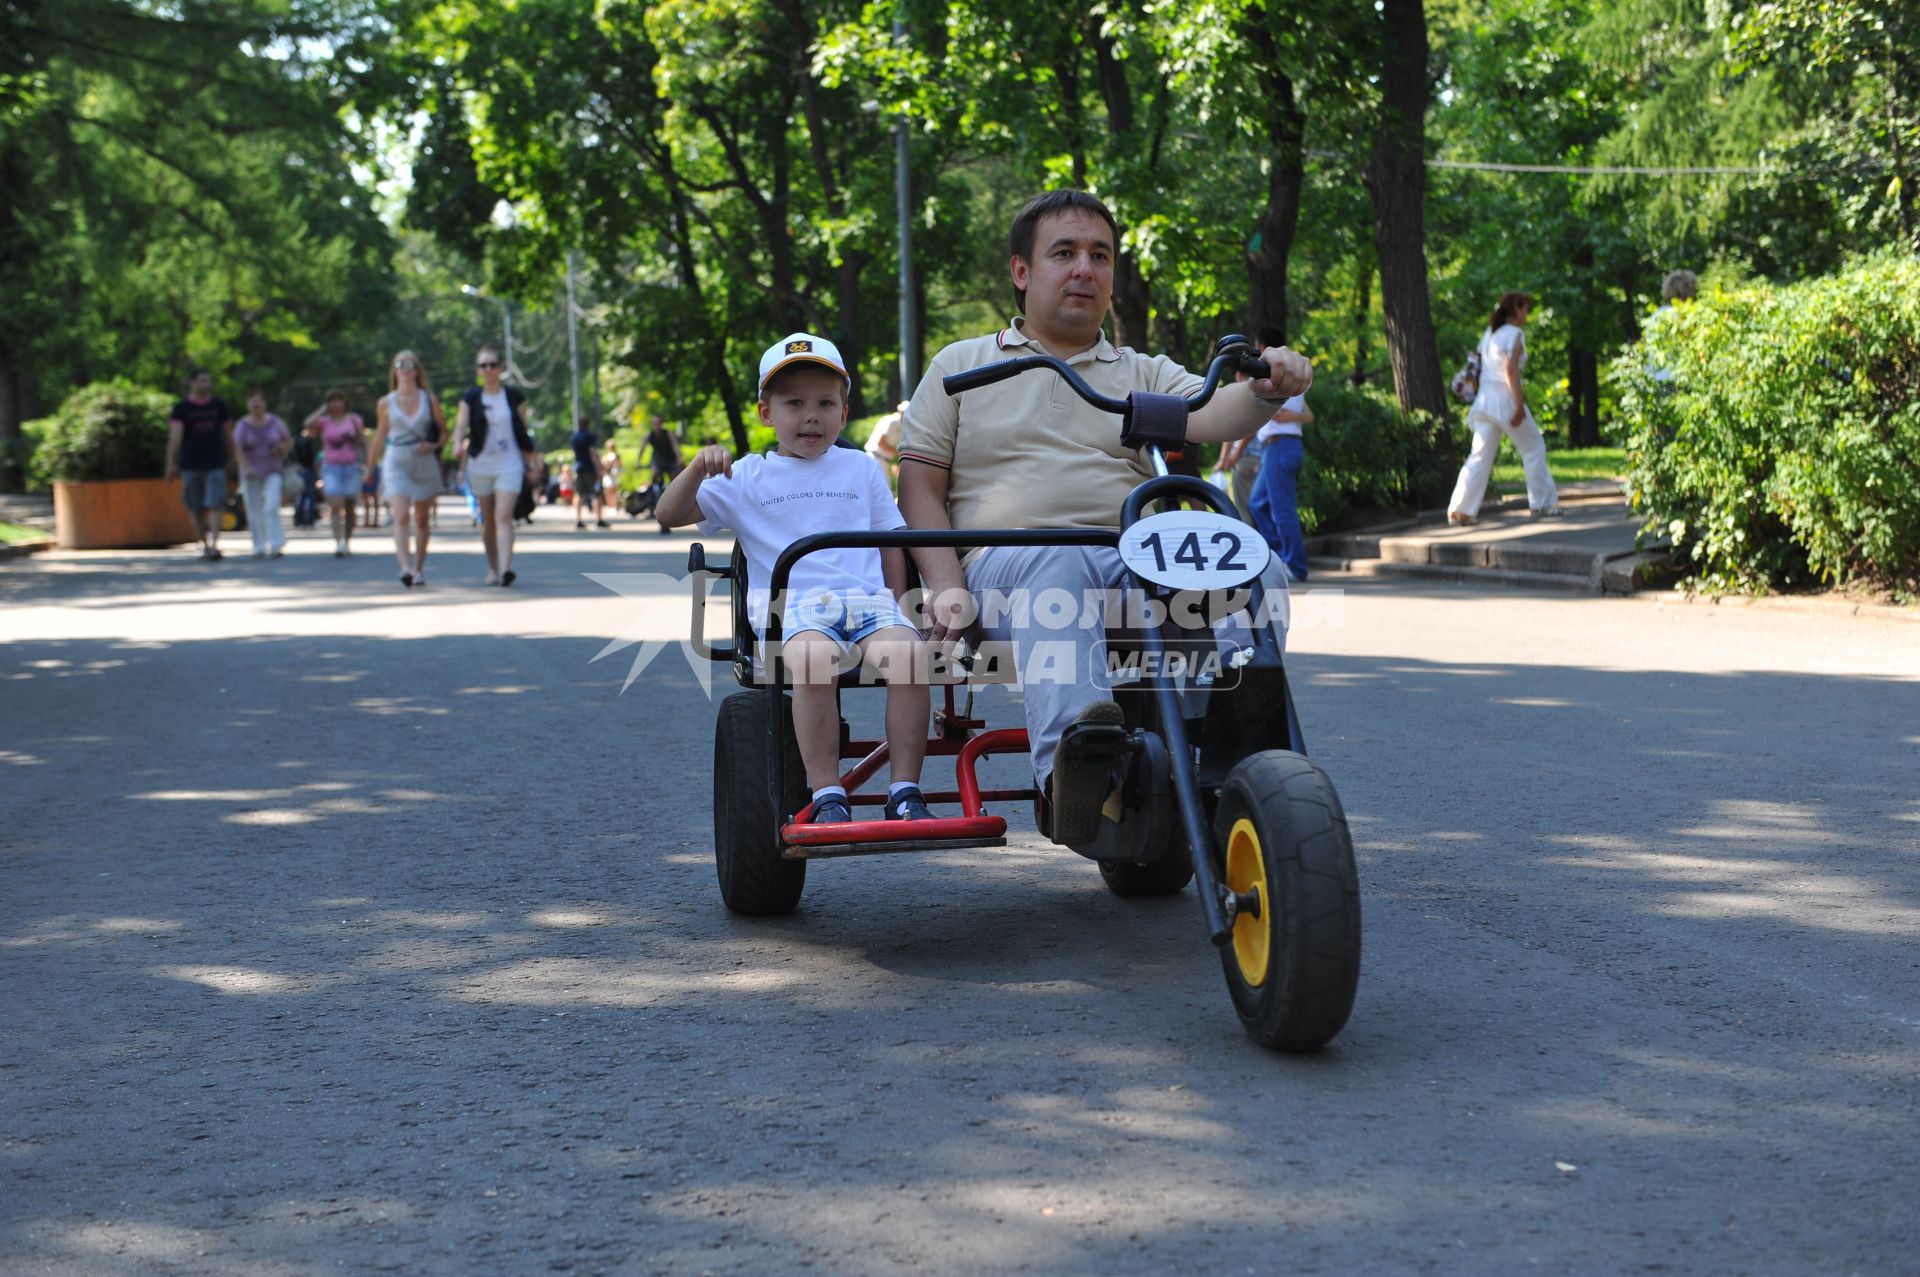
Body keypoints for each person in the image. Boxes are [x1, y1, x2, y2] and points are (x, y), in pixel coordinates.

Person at [896, 189, 1311, 849]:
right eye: (1064, 253)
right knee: (1055, 559)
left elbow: (1212, 412)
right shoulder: (961, 366)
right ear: (1021, 272)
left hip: (1129, 565)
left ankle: (1237, 756)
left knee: (1253, 568)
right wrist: (945, 582)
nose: (1085, 268)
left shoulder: (1136, 371)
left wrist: (1266, 388)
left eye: (1100, 255)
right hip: (1009, 570)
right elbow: (918, 484)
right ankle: (1075, 774)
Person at [655, 333, 937, 825]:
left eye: (826, 403)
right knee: (812, 659)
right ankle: (827, 790)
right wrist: (698, 466)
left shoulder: (861, 469)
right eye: (795, 403)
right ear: (767, 413)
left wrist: (902, 606)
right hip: (798, 609)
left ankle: (905, 789)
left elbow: (891, 543)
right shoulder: (746, 477)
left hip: (868, 603)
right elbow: (668, 512)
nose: (812, 416)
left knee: (909, 654)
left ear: (844, 415)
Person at [1447, 291, 1560, 525]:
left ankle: (1460, 509)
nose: (1527, 314)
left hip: (1483, 402)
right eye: (1525, 309)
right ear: (1516, 309)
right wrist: (1518, 405)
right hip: (1503, 399)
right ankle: (1543, 504)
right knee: (1534, 448)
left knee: (1479, 455)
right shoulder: (1515, 334)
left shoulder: (1490, 334)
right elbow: (1510, 370)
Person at [451, 344, 537, 586]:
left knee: (503, 515)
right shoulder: (471, 397)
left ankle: (506, 569)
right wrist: (457, 443)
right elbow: (461, 425)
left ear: (500, 368)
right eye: (483, 365)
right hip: (480, 464)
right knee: (487, 519)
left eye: (492, 364)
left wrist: (532, 460)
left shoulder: (513, 396)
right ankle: (492, 567)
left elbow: (523, 430)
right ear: (478, 369)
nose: (488, 369)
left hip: (509, 463)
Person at [366, 349, 447, 588]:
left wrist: (432, 444)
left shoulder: (429, 400)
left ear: (417, 370)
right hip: (396, 459)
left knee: (421, 519)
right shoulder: (385, 403)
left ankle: (419, 567)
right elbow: (379, 438)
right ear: (395, 370)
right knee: (401, 516)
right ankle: (405, 567)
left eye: (411, 364)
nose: (406, 369)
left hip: (423, 458)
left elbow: (444, 432)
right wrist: (369, 468)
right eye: (401, 364)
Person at [1241, 326, 1314, 582]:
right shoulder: (1294, 372)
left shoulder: (1276, 373)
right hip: (1277, 448)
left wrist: (1284, 416)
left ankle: (1295, 565)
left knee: (1282, 510)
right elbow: (1308, 415)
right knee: (1257, 504)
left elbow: (1276, 413)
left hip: (1280, 445)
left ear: (1263, 347)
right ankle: (1281, 557)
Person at [164, 368, 235, 561]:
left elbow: (228, 434)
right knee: (195, 507)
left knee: (216, 503)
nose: (206, 384)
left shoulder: (219, 406)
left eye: (208, 381)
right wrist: (170, 463)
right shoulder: (182, 408)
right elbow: (175, 437)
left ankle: (214, 544)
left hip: (216, 462)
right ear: (193, 383)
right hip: (190, 464)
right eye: (203, 381)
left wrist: (233, 458)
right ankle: (203, 544)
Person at [232, 388, 291, 559]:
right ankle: (258, 545)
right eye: (253, 401)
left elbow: (288, 441)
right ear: (248, 404)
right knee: (254, 509)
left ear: (265, 403)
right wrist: (246, 467)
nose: (256, 404)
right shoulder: (242, 425)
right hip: (250, 473)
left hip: (273, 470)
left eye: (259, 401)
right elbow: (238, 449)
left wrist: (281, 447)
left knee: (271, 506)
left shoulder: (275, 422)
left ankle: (276, 544)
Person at [571, 416, 607, 528]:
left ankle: (578, 519)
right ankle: (599, 519)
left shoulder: (574, 437)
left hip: (578, 468)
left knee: (579, 494)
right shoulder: (589, 436)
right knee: (597, 494)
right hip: (590, 469)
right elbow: (592, 453)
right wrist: (599, 468)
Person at [863, 401, 907, 481]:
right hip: (876, 459)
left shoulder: (901, 425)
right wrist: (899, 453)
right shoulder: (892, 421)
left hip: (883, 461)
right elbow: (881, 443)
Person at [290, 424, 320, 529]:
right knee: (310, 496)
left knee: (300, 496)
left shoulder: (297, 440)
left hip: (298, 470)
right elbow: (308, 458)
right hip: (307, 470)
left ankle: (299, 519)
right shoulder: (306, 441)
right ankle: (309, 519)